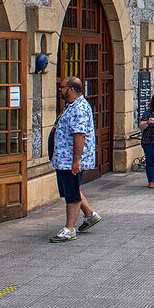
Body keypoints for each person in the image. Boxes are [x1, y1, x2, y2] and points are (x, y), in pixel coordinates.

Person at [51, 76, 101, 242]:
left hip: (69, 160)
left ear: (71, 89)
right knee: (71, 189)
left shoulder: (79, 108)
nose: (60, 89)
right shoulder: (71, 106)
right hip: (63, 159)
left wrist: (76, 161)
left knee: (72, 193)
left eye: (62, 86)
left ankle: (69, 229)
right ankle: (90, 214)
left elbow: (79, 135)